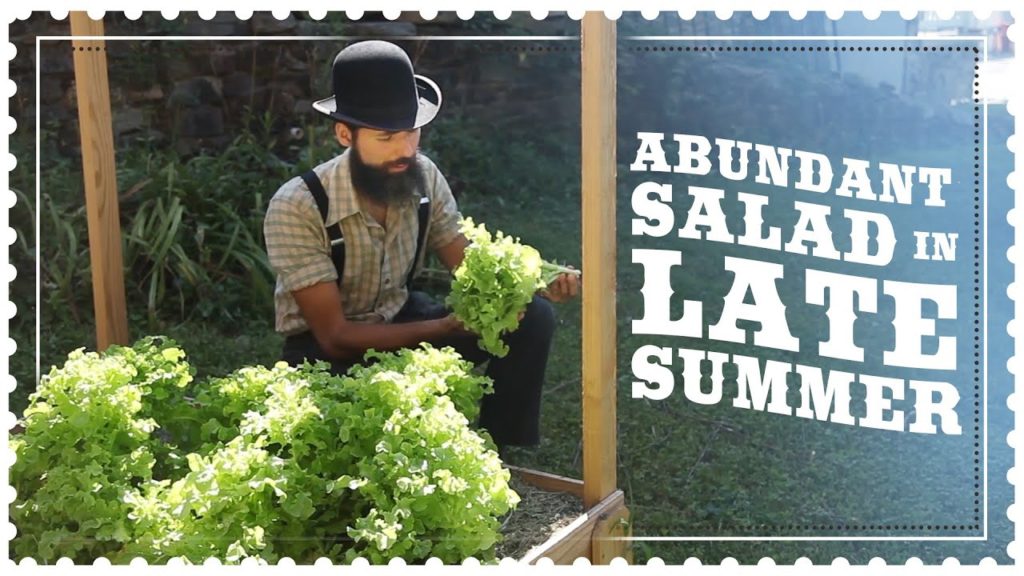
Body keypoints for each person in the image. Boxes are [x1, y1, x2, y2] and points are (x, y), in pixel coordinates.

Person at [263, 40, 579, 450]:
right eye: (387, 136)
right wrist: (442, 328)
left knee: (530, 316)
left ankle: (504, 453)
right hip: (326, 353)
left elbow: (469, 266)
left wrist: (536, 282)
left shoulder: (424, 175)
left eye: (412, 131)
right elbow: (334, 336)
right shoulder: (298, 204)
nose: (406, 150)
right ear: (345, 134)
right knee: (353, 446)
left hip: (403, 318)